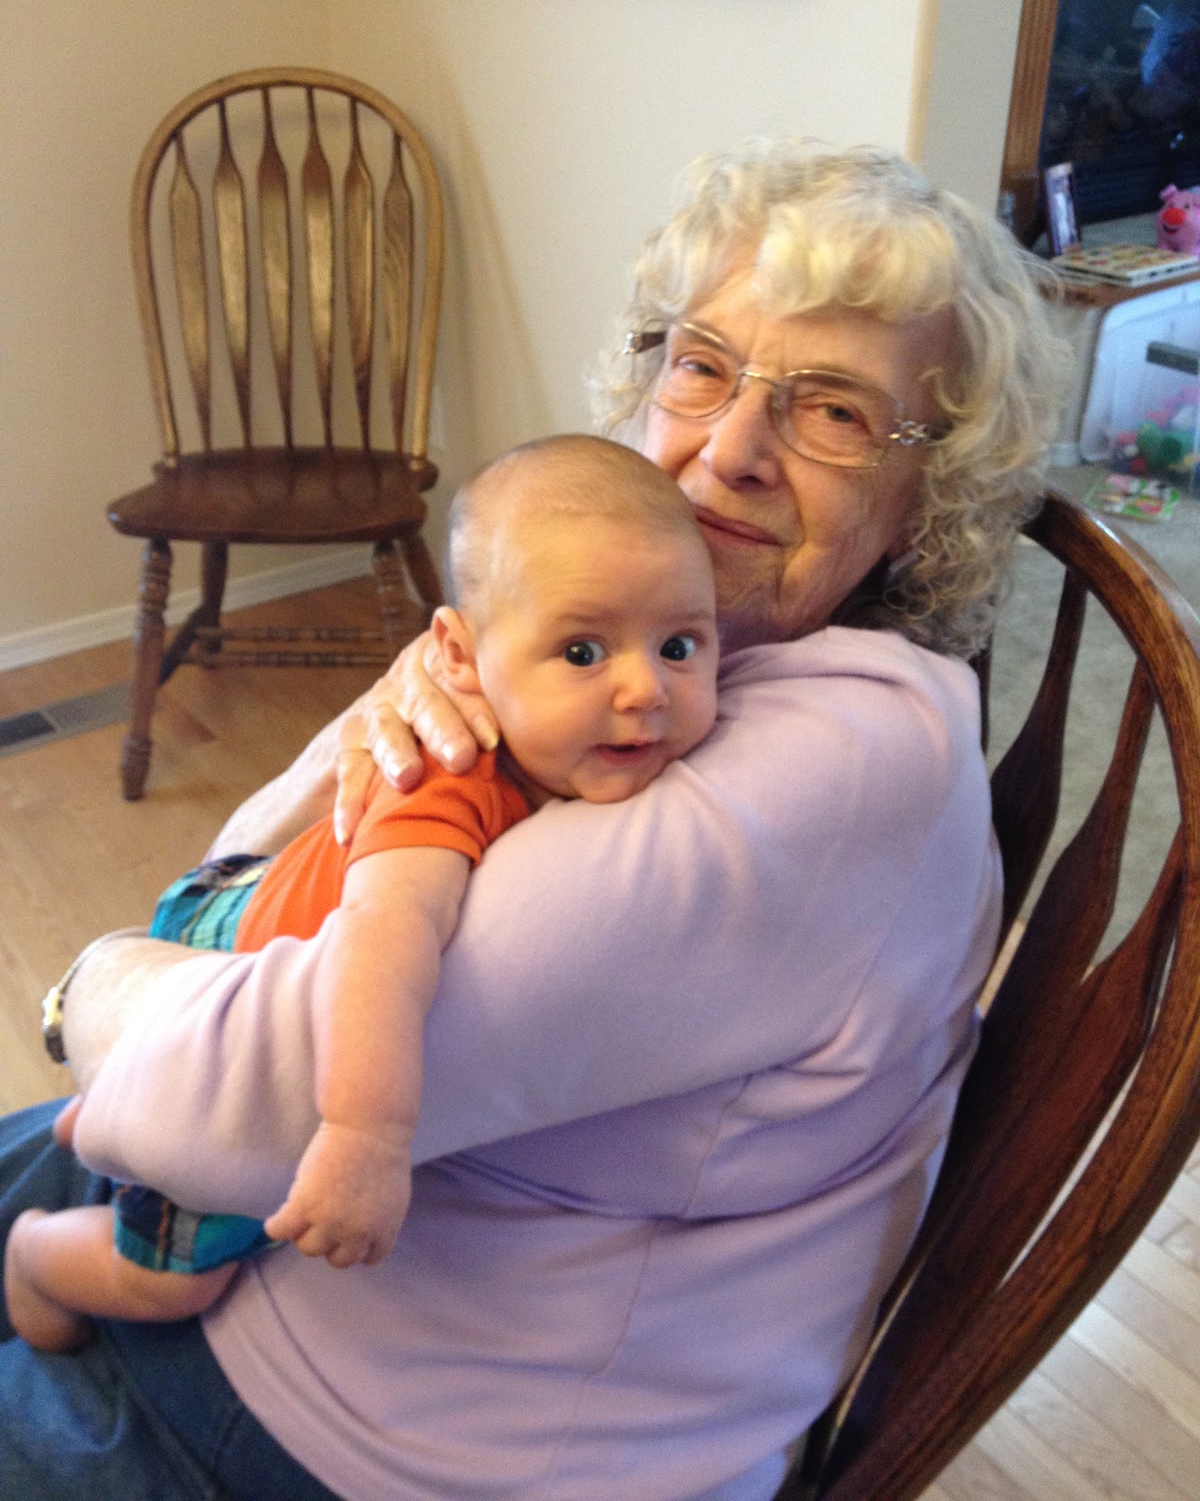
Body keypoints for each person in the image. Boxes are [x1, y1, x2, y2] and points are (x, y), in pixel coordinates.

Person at [0, 139, 1066, 1501]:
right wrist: (390, 708)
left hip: (364, 1432)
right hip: (285, 1257)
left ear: (931, 499)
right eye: (703, 366)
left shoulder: (847, 762)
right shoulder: (646, 661)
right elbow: (248, 868)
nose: (730, 450)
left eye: (836, 413)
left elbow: (242, 1107)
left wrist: (89, 982)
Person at [4, 435, 720, 1353]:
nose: (646, 688)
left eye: (679, 645)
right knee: (174, 1281)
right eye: (583, 651)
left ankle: (99, 1118)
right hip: (224, 943)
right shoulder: (453, 779)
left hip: (265, 913)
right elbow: (383, 939)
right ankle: (34, 1256)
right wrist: (364, 1137)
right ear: (459, 657)